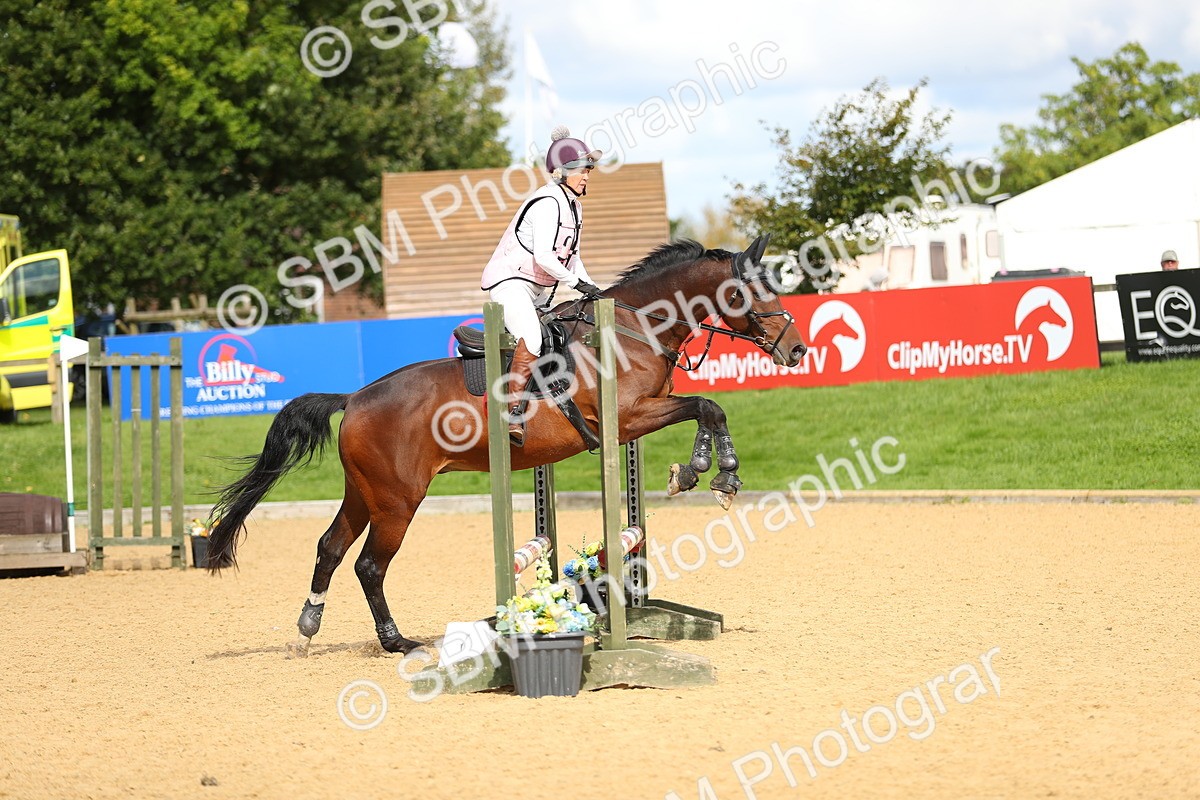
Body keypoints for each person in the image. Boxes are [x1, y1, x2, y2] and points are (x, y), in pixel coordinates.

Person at [480, 125, 604, 446]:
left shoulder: (574, 206)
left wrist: (596, 290)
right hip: (511, 285)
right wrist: (576, 284)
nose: (586, 175)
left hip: (535, 291)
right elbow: (545, 257)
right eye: (581, 169)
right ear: (561, 172)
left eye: (588, 170)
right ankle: (513, 413)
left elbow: (573, 258)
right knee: (533, 338)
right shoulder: (547, 202)